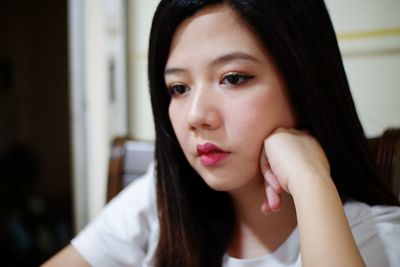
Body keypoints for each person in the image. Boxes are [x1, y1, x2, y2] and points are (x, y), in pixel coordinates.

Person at [42, 0, 400, 266]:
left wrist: (310, 180)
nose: (196, 116)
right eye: (178, 88)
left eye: (233, 78)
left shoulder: (372, 236)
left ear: (304, 82)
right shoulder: (160, 201)